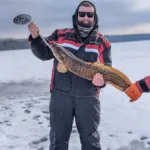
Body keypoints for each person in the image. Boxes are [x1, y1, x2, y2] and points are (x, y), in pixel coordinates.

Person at [28, 1, 112, 150]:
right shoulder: (60, 35)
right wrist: (35, 37)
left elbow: (107, 70)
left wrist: (101, 81)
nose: (86, 18)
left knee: (91, 143)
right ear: (76, 16)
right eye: (82, 14)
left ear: (94, 17)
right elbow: (44, 53)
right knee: (57, 141)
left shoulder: (102, 43)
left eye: (90, 14)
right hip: (61, 96)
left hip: (88, 99)